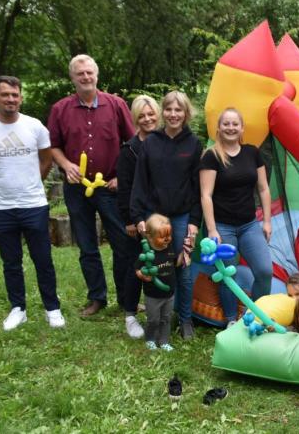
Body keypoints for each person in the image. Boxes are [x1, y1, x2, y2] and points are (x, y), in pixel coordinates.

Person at [0, 75, 65, 330]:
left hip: (33, 204)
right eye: (5, 95)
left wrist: (32, 182)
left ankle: (52, 308)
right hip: (1, 207)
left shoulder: (35, 127)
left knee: (43, 259)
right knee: (11, 261)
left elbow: (46, 161)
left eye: (15, 95)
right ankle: (18, 308)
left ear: (21, 97)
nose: (10, 99)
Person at [48, 54, 136, 316]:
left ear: (96, 75)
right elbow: (53, 146)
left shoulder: (116, 105)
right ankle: (97, 298)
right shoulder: (60, 109)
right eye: (80, 74)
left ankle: (125, 297)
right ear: (72, 78)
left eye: (89, 73)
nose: (85, 77)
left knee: (122, 244)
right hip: (77, 188)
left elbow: (132, 145)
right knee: (87, 246)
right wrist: (66, 165)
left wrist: (122, 176)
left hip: (110, 187)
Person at [130, 91, 202, 340]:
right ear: (164, 112)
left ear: (186, 113)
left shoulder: (194, 144)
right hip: (154, 216)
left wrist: (194, 223)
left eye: (178, 110)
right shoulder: (151, 142)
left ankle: (185, 320)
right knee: (157, 267)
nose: (173, 114)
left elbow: (197, 188)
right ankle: (161, 318)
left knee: (182, 268)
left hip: (182, 217)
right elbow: (141, 181)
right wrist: (138, 215)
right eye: (169, 109)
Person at [199, 108, 273, 325]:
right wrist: (212, 230)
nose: (230, 128)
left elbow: (264, 189)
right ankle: (232, 319)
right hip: (222, 227)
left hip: (249, 224)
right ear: (219, 129)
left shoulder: (252, 152)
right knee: (228, 276)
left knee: (264, 271)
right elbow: (206, 195)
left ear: (242, 128)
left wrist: (267, 221)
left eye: (235, 124)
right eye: (226, 124)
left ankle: (257, 316)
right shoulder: (211, 156)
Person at [117, 95, 161, 339]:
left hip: (163, 216)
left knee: (161, 264)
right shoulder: (129, 150)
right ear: (135, 119)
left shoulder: (167, 142)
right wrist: (130, 220)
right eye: (141, 116)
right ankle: (131, 315)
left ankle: (159, 313)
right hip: (138, 216)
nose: (147, 119)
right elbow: (124, 189)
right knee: (136, 264)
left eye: (151, 114)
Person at [134, 214, 188, 351]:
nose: (167, 239)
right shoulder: (147, 255)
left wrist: (185, 254)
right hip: (152, 295)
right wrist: (143, 276)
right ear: (150, 237)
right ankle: (150, 338)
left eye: (169, 235)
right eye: (162, 236)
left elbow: (176, 262)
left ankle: (164, 341)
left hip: (169, 294)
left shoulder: (169, 250)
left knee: (166, 319)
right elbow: (137, 269)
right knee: (153, 320)